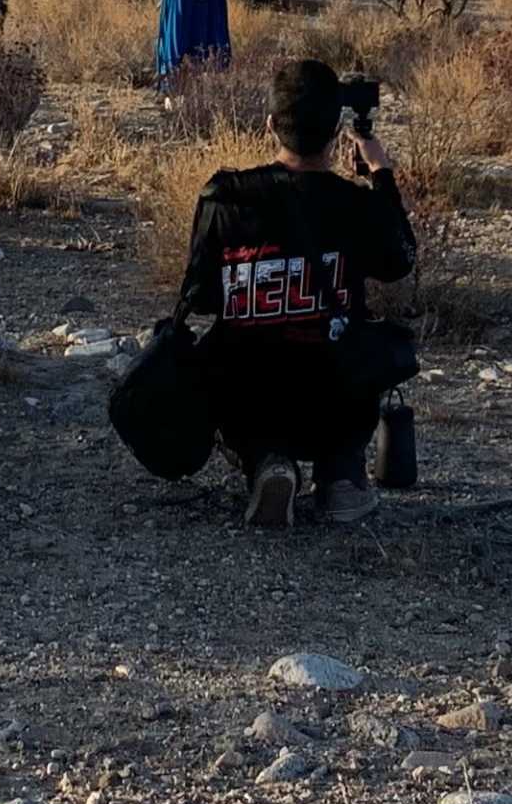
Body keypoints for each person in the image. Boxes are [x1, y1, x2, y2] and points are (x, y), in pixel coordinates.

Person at [174, 56, 415, 527]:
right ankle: (342, 477)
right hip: (332, 392)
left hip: (249, 387)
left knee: (223, 351)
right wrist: (380, 172)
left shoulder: (226, 196)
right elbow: (399, 260)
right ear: (334, 132)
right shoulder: (354, 205)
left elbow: (200, 296)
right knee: (366, 344)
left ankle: (268, 462)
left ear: (270, 125)